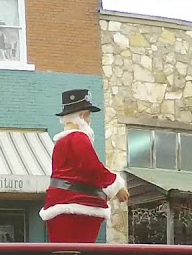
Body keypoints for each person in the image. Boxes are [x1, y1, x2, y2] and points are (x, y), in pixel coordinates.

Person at [38, 90, 128, 243]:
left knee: (64, 252)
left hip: (63, 204)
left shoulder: (61, 143)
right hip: (77, 207)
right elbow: (93, 167)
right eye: (88, 116)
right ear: (81, 116)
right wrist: (117, 186)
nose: (89, 121)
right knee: (78, 251)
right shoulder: (78, 138)